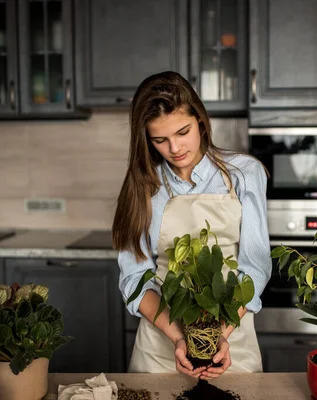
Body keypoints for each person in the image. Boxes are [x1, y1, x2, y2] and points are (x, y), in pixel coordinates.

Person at [112, 71, 271, 380]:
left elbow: (255, 268)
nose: (175, 148)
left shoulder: (245, 174)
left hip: (231, 341)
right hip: (159, 346)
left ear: (200, 120)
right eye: (160, 140)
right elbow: (133, 279)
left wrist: (217, 338)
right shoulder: (143, 187)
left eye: (182, 132)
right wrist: (180, 338)